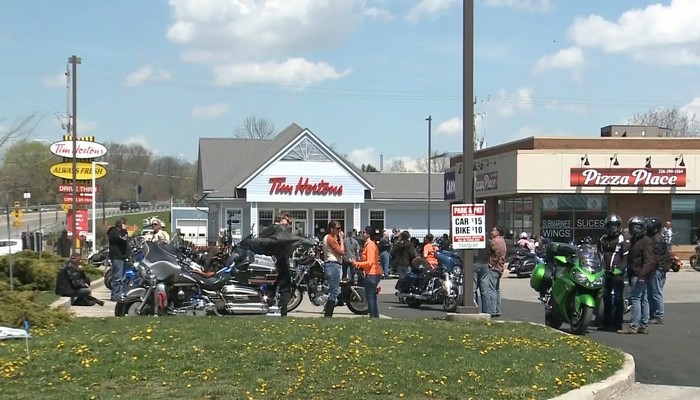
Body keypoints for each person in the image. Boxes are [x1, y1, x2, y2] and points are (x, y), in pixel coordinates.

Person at [618, 216, 654, 335]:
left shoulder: (646, 240)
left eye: (638, 227)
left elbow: (649, 260)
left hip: (639, 274)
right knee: (643, 299)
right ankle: (643, 325)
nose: (635, 229)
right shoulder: (635, 240)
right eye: (633, 227)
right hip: (635, 272)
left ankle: (633, 326)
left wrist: (642, 275)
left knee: (636, 299)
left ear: (643, 228)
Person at [597, 214, 629, 332]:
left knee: (619, 299)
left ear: (619, 226)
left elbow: (626, 257)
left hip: (618, 274)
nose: (613, 228)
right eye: (610, 226)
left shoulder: (623, 239)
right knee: (606, 298)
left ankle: (618, 323)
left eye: (615, 226)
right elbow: (598, 254)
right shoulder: (602, 239)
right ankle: (606, 323)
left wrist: (620, 269)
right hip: (606, 273)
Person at [259, 212, 294, 317]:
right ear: (281, 219)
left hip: (271, 262)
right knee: (285, 288)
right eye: (287, 220)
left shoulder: (269, 230)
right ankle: (283, 312)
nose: (288, 223)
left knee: (272, 286)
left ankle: (268, 306)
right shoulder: (280, 230)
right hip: (281, 261)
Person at [352, 226, 383, 318]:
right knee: (372, 297)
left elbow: (369, 262)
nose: (362, 234)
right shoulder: (369, 245)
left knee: (370, 298)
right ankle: (375, 316)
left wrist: (356, 264)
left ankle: (373, 317)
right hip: (373, 273)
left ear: (368, 234)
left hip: (372, 273)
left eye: (364, 232)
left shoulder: (370, 245)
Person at [321, 220, 345, 317]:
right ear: (332, 229)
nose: (339, 230)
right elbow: (341, 251)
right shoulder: (329, 238)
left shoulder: (331, 238)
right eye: (338, 228)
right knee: (334, 291)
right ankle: (328, 314)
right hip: (333, 265)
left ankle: (327, 312)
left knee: (333, 290)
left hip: (331, 265)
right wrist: (341, 239)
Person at [646, 217, 667, 325]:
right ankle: (653, 314)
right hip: (655, 269)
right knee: (651, 292)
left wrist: (650, 266)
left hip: (657, 270)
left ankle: (659, 315)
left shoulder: (657, 239)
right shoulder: (653, 237)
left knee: (655, 293)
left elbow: (657, 256)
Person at [485, 227, 506, 317]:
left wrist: (491, 263)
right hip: (500, 268)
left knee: (491, 289)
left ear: (497, 232)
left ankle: (492, 310)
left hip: (494, 268)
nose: (491, 232)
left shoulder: (495, 241)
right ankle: (497, 309)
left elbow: (496, 253)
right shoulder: (502, 241)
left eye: (493, 230)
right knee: (496, 289)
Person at [108, 218, 130, 301]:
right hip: (117, 258)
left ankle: (120, 293)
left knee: (122, 278)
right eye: (124, 224)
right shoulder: (113, 232)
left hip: (123, 257)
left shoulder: (122, 233)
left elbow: (125, 240)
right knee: (117, 278)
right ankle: (115, 295)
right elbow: (122, 239)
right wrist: (124, 231)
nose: (126, 226)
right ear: (120, 225)